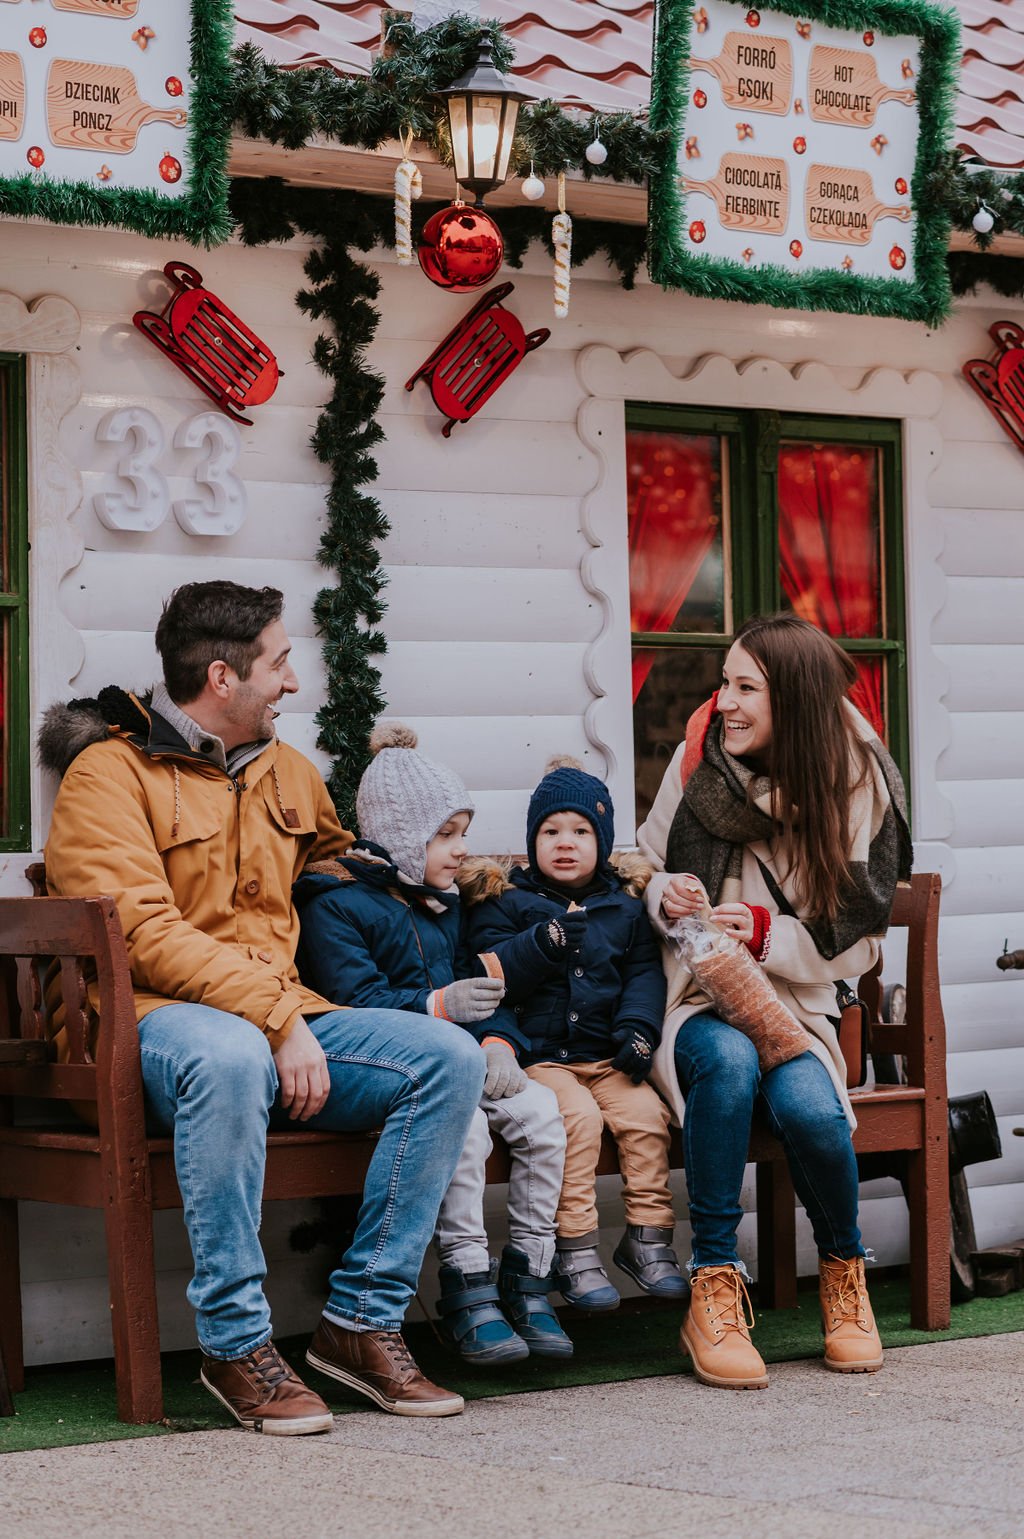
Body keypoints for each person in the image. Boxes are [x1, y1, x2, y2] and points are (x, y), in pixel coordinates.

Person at [40, 582, 485, 1432]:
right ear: (221, 676)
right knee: (228, 1052)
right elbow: (139, 933)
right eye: (279, 663)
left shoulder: (288, 771)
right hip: (150, 1024)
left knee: (447, 1057)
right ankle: (236, 1342)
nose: (292, 681)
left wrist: (469, 883)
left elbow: (338, 865)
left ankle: (360, 1320)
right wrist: (275, 1017)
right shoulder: (108, 772)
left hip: (279, 1015)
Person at [636, 613, 912, 1390]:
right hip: (700, 1000)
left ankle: (844, 1277)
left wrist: (765, 932)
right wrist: (669, 893)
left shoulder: (851, 781)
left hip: (798, 1008)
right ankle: (714, 1286)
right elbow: (643, 865)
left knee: (815, 1112)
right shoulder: (699, 761)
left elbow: (860, 940)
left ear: (791, 698)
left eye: (745, 686)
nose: (722, 701)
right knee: (724, 1064)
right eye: (723, 681)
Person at [294, 723, 573, 1364]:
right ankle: (467, 1285)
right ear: (400, 836)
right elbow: (353, 1004)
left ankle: (528, 1276)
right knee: (467, 1133)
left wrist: (499, 1041)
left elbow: (472, 992)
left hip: (463, 1057)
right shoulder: (335, 906)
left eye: (463, 833)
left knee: (541, 1116)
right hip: (397, 1068)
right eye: (444, 835)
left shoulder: (436, 905)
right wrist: (437, 1007)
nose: (460, 850)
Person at [460, 758, 687, 1312]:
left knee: (646, 1118)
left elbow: (642, 977)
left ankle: (648, 1240)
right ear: (532, 840)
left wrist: (638, 1032)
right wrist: (541, 943)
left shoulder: (625, 908)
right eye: (550, 831)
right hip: (543, 1060)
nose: (566, 844)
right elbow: (491, 973)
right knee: (578, 1121)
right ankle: (576, 1248)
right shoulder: (505, 902)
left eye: (581, 832)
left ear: (602, 841)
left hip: (607, 1058)